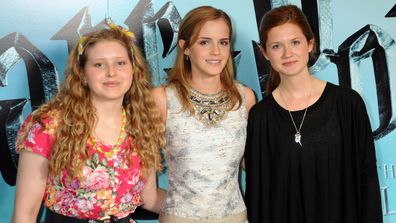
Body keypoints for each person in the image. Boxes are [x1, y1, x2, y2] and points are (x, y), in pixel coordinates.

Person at [12, 23, 166, 223]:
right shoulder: (49, 124)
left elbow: (150, 197)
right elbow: (25, 213)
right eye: (99, 65)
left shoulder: (141, 123)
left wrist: (206, 208)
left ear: (133, 70)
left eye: (120, 63)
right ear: (83, 75)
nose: (111, 72)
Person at [244, 4, 382, 223]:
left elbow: (367, 180)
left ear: (310, 44)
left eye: (295, 42)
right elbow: (259, 196)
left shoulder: (347, 104)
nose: (288, 53)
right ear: (264, 53)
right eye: (277, 46)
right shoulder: (260, 117)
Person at [152, 5, 256, 223]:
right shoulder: (162, 99)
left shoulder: (245, 98)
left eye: (223, 42)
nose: (216, 52)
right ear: (185, 47)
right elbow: (141, 180)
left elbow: (256, 166)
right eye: (204, 42)